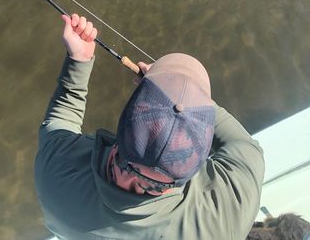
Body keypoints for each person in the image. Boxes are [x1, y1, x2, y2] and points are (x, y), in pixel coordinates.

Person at [34, 14, 265, 239]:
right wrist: (193, 106)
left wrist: (79, 60)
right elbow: (244, 145)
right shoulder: (226, 219)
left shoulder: (56, 174)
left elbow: (59, 121)